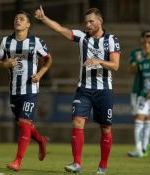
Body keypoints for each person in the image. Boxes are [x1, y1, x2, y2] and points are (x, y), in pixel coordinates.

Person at [35, 6, 120, 174]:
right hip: (84, 89)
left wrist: (98, 61)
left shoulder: (111, 39)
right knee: (77, 122)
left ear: (99, 21)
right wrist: (44, 19)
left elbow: (115, 65)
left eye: (91, 21)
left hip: (104, 91)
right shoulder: (82, 37)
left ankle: (103, 166)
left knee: (105, 129)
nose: (87, 25)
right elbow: (60, 29)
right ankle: (77, 163)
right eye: (86, 21)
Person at [0, 10, 52, 171]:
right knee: (23, 124)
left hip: (30, 88)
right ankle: (41, 140)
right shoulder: (6, 41)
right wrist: (4, 64)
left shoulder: (36, 41)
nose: (18, 21)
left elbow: (49, 58)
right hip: (14, 90)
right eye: (16, 18)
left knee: (25, 123)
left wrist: (40, 73)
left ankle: (17, 161)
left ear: (28, 24)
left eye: (21, 19)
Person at [127, 31, 150, 158]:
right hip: (137, 89)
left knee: (146, 117)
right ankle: (141, 146)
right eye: (146, 37)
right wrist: (137, 63)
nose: (148, 40)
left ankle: (144, 145)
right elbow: (132, 70)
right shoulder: (136, 53)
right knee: (139, 117)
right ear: (142, 39)